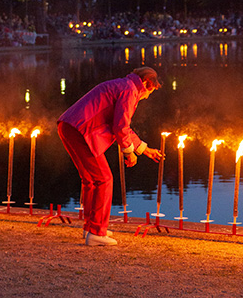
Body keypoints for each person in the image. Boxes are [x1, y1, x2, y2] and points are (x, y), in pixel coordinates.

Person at [57, 66, 163, 246]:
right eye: (149, 92)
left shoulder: (122, 85)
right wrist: (129, 153)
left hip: (68, 126)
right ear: (146, 83)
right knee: (104, 179)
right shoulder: (130, 90)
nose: (146, 97)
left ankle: (91, 227)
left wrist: (144, 149)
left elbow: (123, 128)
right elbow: (120, 127)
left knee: (90, 179)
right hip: (82, 130)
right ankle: (97, 232)